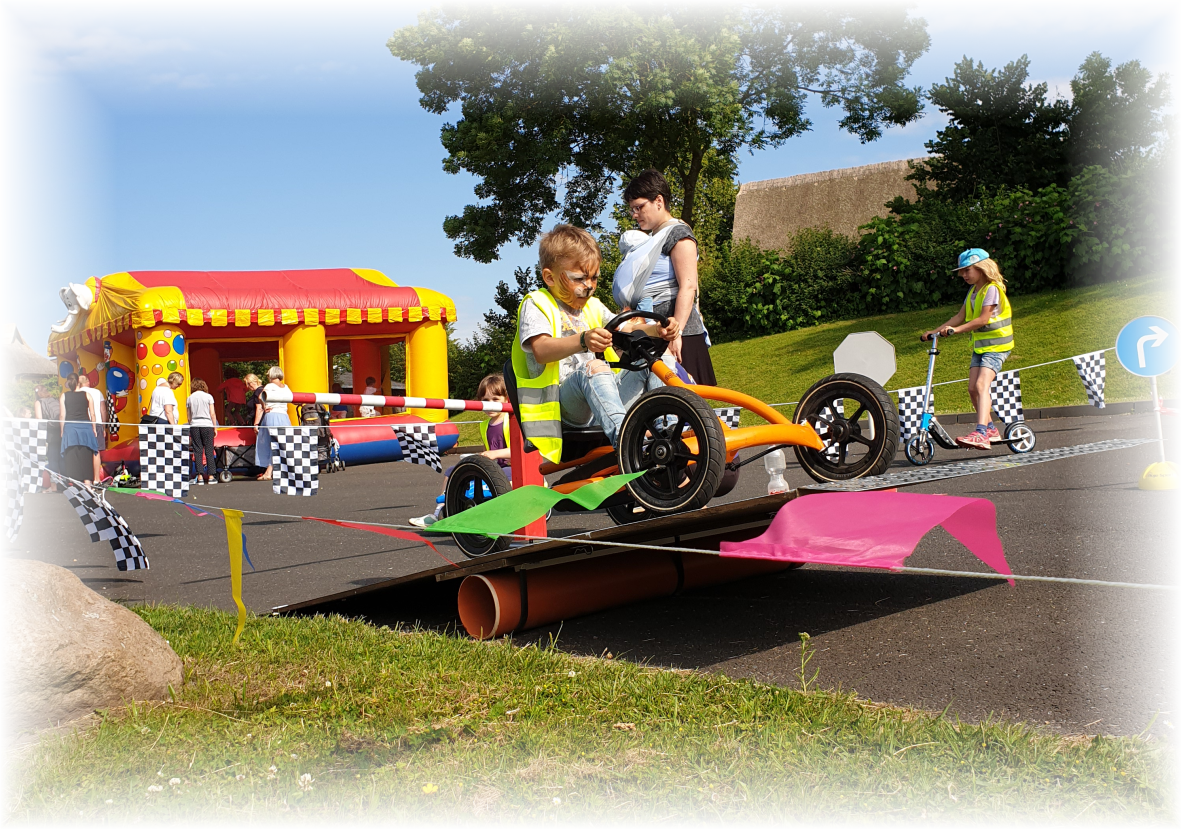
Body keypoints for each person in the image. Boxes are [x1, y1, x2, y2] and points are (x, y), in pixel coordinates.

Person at [512, 223, 679, 465]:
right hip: (563, 408)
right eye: (579, 278)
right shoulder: (537, 304)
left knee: (652, 357)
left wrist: (657, 330)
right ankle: (628, 443)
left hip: (604, 396)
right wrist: (582, 340)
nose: (589, 286)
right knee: (594, 369)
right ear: (549, 277)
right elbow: (541, 350)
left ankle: (671, 429)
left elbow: (627, 328)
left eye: (594, 278)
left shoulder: (593, 306)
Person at [619, 169, 717, 386]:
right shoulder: (652, 239)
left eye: (639, 207)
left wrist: (676, 333)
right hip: (656, 330)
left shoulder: (678, 233)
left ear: (659, 201)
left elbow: (688, 286)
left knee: (688, 403)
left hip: (679, 333)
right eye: (632, 210)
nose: (635, 215)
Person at [922, 248, 1014, 450]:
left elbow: (983, 319)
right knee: (972, 388)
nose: (963, 275)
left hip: (997, 346)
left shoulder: (991, 289)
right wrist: (934, 332)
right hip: (981, 347)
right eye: (962, 271)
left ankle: (981, 433)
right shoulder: (973, 292)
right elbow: (959, 317)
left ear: (981, 268)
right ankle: (990, 429)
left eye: (967, 270)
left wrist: (956, 330)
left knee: (982, 386)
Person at [410, 373, 513, 528]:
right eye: (485, 400)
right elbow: (490, 450)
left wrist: (495, 454)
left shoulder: (511, 421)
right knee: (452, 471)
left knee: (497, 477)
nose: (490, 405)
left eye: (495, 400)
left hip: (511, 469)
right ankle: (442, 511)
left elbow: (518, 451)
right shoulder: (484, 425)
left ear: (506, 400)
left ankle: (500, 513)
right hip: (495, 467)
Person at [58, 372, 99, 486]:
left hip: (70, 427)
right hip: (85, 427)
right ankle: (87, 482)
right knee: (86, 454)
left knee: (72, 454)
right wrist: (94, 428)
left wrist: (62, 430)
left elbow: (62, 415)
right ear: (78, 382)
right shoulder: (87, 395)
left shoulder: (64, 396)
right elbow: (92, 414)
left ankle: (75, 482)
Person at [254, 367, 291, 481]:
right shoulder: (286, 387)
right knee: (282, 444)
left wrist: (265, 406)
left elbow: (261, 397)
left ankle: (269, 472)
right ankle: (276, 470)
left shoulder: (270, 386)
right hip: (284, 416)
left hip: (272, 415)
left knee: (272, 444)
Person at [187, 379, 219, 485]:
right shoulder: (208, 397)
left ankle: (199, 476)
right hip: (207, 425)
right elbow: (212, 413)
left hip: (195, 425)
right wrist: (215, 427)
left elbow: (189, 416)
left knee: (197, 450)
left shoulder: (190, 398)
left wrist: (191, 423)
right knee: (209, 450)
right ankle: (211, 475)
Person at [77, 373, 108, 482]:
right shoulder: (97, 392)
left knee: (83, 451)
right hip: (98, 423)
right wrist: (104, 426)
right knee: (96, 451)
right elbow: (103, 410)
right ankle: (96, 479)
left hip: (81, 424)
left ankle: (85, 478)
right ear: (88, 382)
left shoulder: (76, 393)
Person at [33, 384, 63, 483]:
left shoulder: (39, 402)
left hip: (50, 432)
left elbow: (39, 419)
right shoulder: (55, 400)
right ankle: (65, 484)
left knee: (53, 458)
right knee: (62, 457)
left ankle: (54, 485)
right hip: (61, 429)